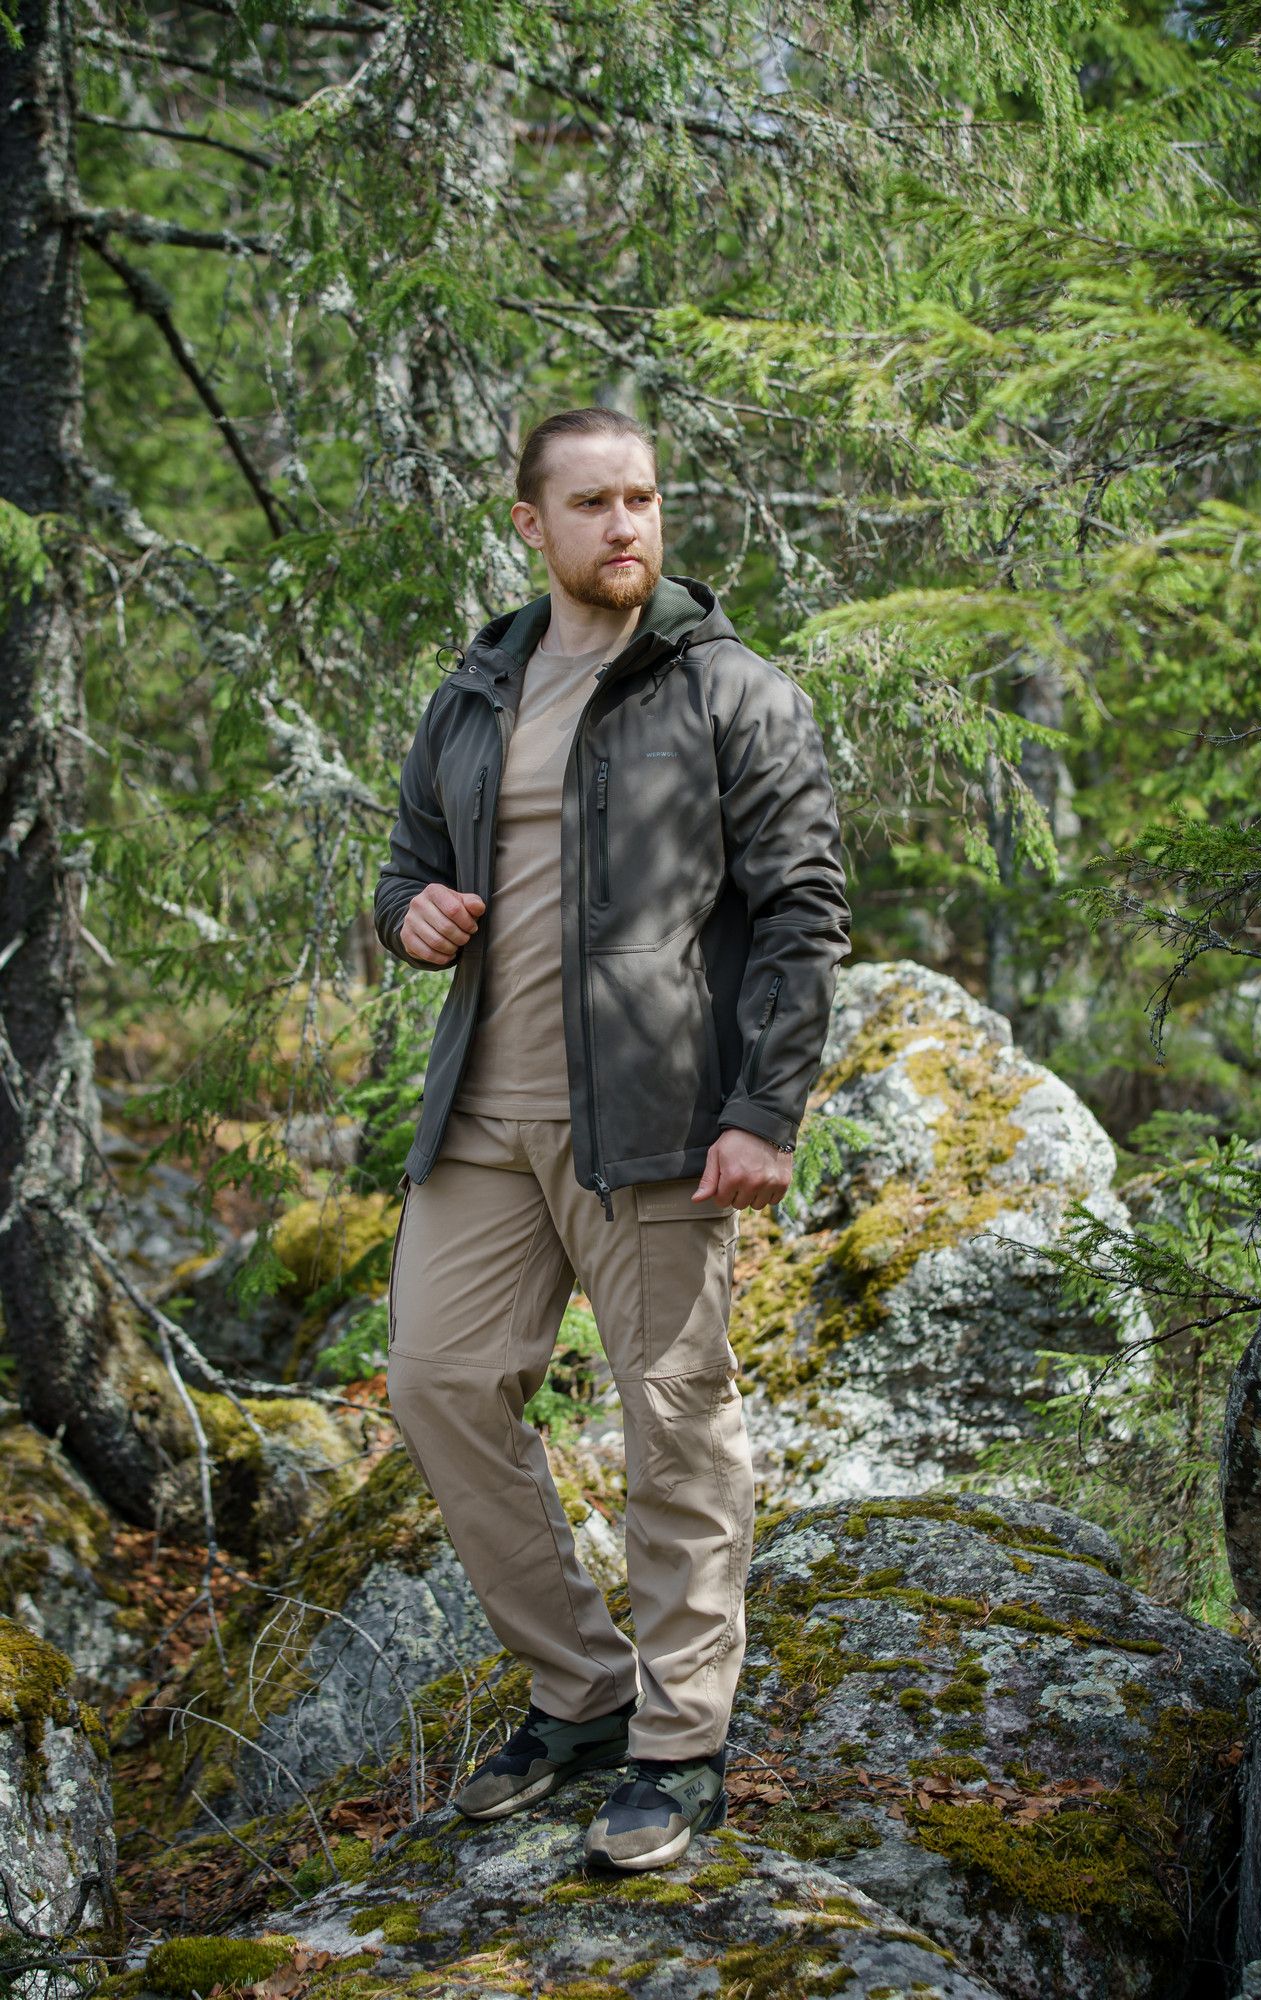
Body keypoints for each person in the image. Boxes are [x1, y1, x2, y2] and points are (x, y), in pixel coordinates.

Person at [372, 406, 851, 1872]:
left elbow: (802, 910)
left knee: (674, 1419)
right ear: (532, 524)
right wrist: (408, 915)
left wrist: (763, 1109)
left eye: (640, 497)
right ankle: (580, 1691)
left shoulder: (728, 690)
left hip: (651, 1124)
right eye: (591, 503)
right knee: (439, 1385)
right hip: (482, 1116)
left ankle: (679, 1739)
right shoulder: (476, 691)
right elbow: (406, 862)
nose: (624, 524)